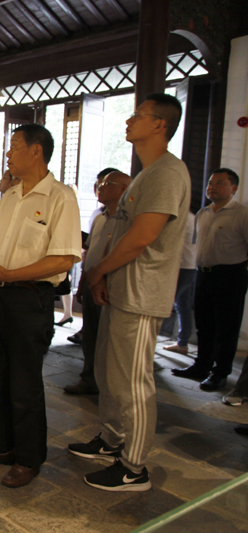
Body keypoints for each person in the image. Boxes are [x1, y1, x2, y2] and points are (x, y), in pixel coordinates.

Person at [70, 94, 191, 492]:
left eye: (137, 115)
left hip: (142, 294)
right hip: (121, 290)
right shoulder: (145, 173)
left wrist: (99, 271)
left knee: (133, 382)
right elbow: (121, 232)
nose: (128, 120)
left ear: (159, 125)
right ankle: (111, 440)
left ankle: (134, 467)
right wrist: (103, 277)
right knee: (109, 372)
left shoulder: (167, 172)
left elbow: (142, 237)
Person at [0, 124, 81, 489]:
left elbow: (63, 258)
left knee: (24, 383)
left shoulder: (60, 197)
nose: (8, 153)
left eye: (14, 145)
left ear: (36, 151)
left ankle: (29, 458)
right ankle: (1, 446)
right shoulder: (11, 196)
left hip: (29, 299)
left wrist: (11, 274)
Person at [172, 168, 248, 391]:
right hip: (203, 273)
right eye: (210, 183)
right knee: (204, 324)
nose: (212, 187)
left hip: (231, 275)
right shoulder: (203, 213)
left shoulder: (241, 214)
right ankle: (201, 366)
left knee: (226, 327)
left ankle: (220, 373)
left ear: (234, 188)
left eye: (220, 183)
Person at [64, 171, 132, 395]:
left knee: (109, 339)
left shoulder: (128, 220)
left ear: (124, 189)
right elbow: (90, 250)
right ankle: (89, 378)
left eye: (107, 183)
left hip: (112, 285)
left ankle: (108, 384)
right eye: (100, 183)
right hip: (93, 281)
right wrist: (84, 280)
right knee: (91, 334)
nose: (100, 187)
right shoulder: (100, 217)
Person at [162, 209, 196, 355]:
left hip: (181, 266)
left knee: (164, 305)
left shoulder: (182, 218)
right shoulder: (193, 217)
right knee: (183, 305)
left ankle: (147, 343)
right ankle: (182, 343)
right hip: (191, 265)